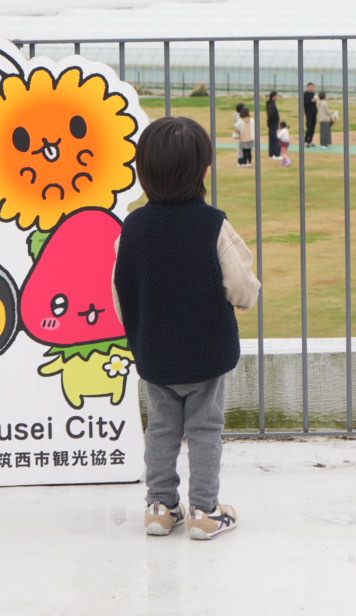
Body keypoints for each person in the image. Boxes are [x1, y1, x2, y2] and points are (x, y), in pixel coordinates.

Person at [113, 117, 261, 541]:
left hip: (155, 354)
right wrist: (245, 299)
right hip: (207, 353)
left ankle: (160, 507)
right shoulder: (213, 225)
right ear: (204, 170)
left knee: (160, 427)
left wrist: (139, 332)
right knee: (205, 430)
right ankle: (204, 510)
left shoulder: (133, 228)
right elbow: (241, 287)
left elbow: (121, 291)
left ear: (143, 171)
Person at [265, 91, 281, 160]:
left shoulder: (272, 103)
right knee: (275, 139)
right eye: (277, 96)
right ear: (274, 97)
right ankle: (275, 154)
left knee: (273, 138)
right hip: (273, 124)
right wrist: (275, 120)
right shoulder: (271, 104)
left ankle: (272, 154)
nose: (278, 97)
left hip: (273, 124)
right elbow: (270, 115)